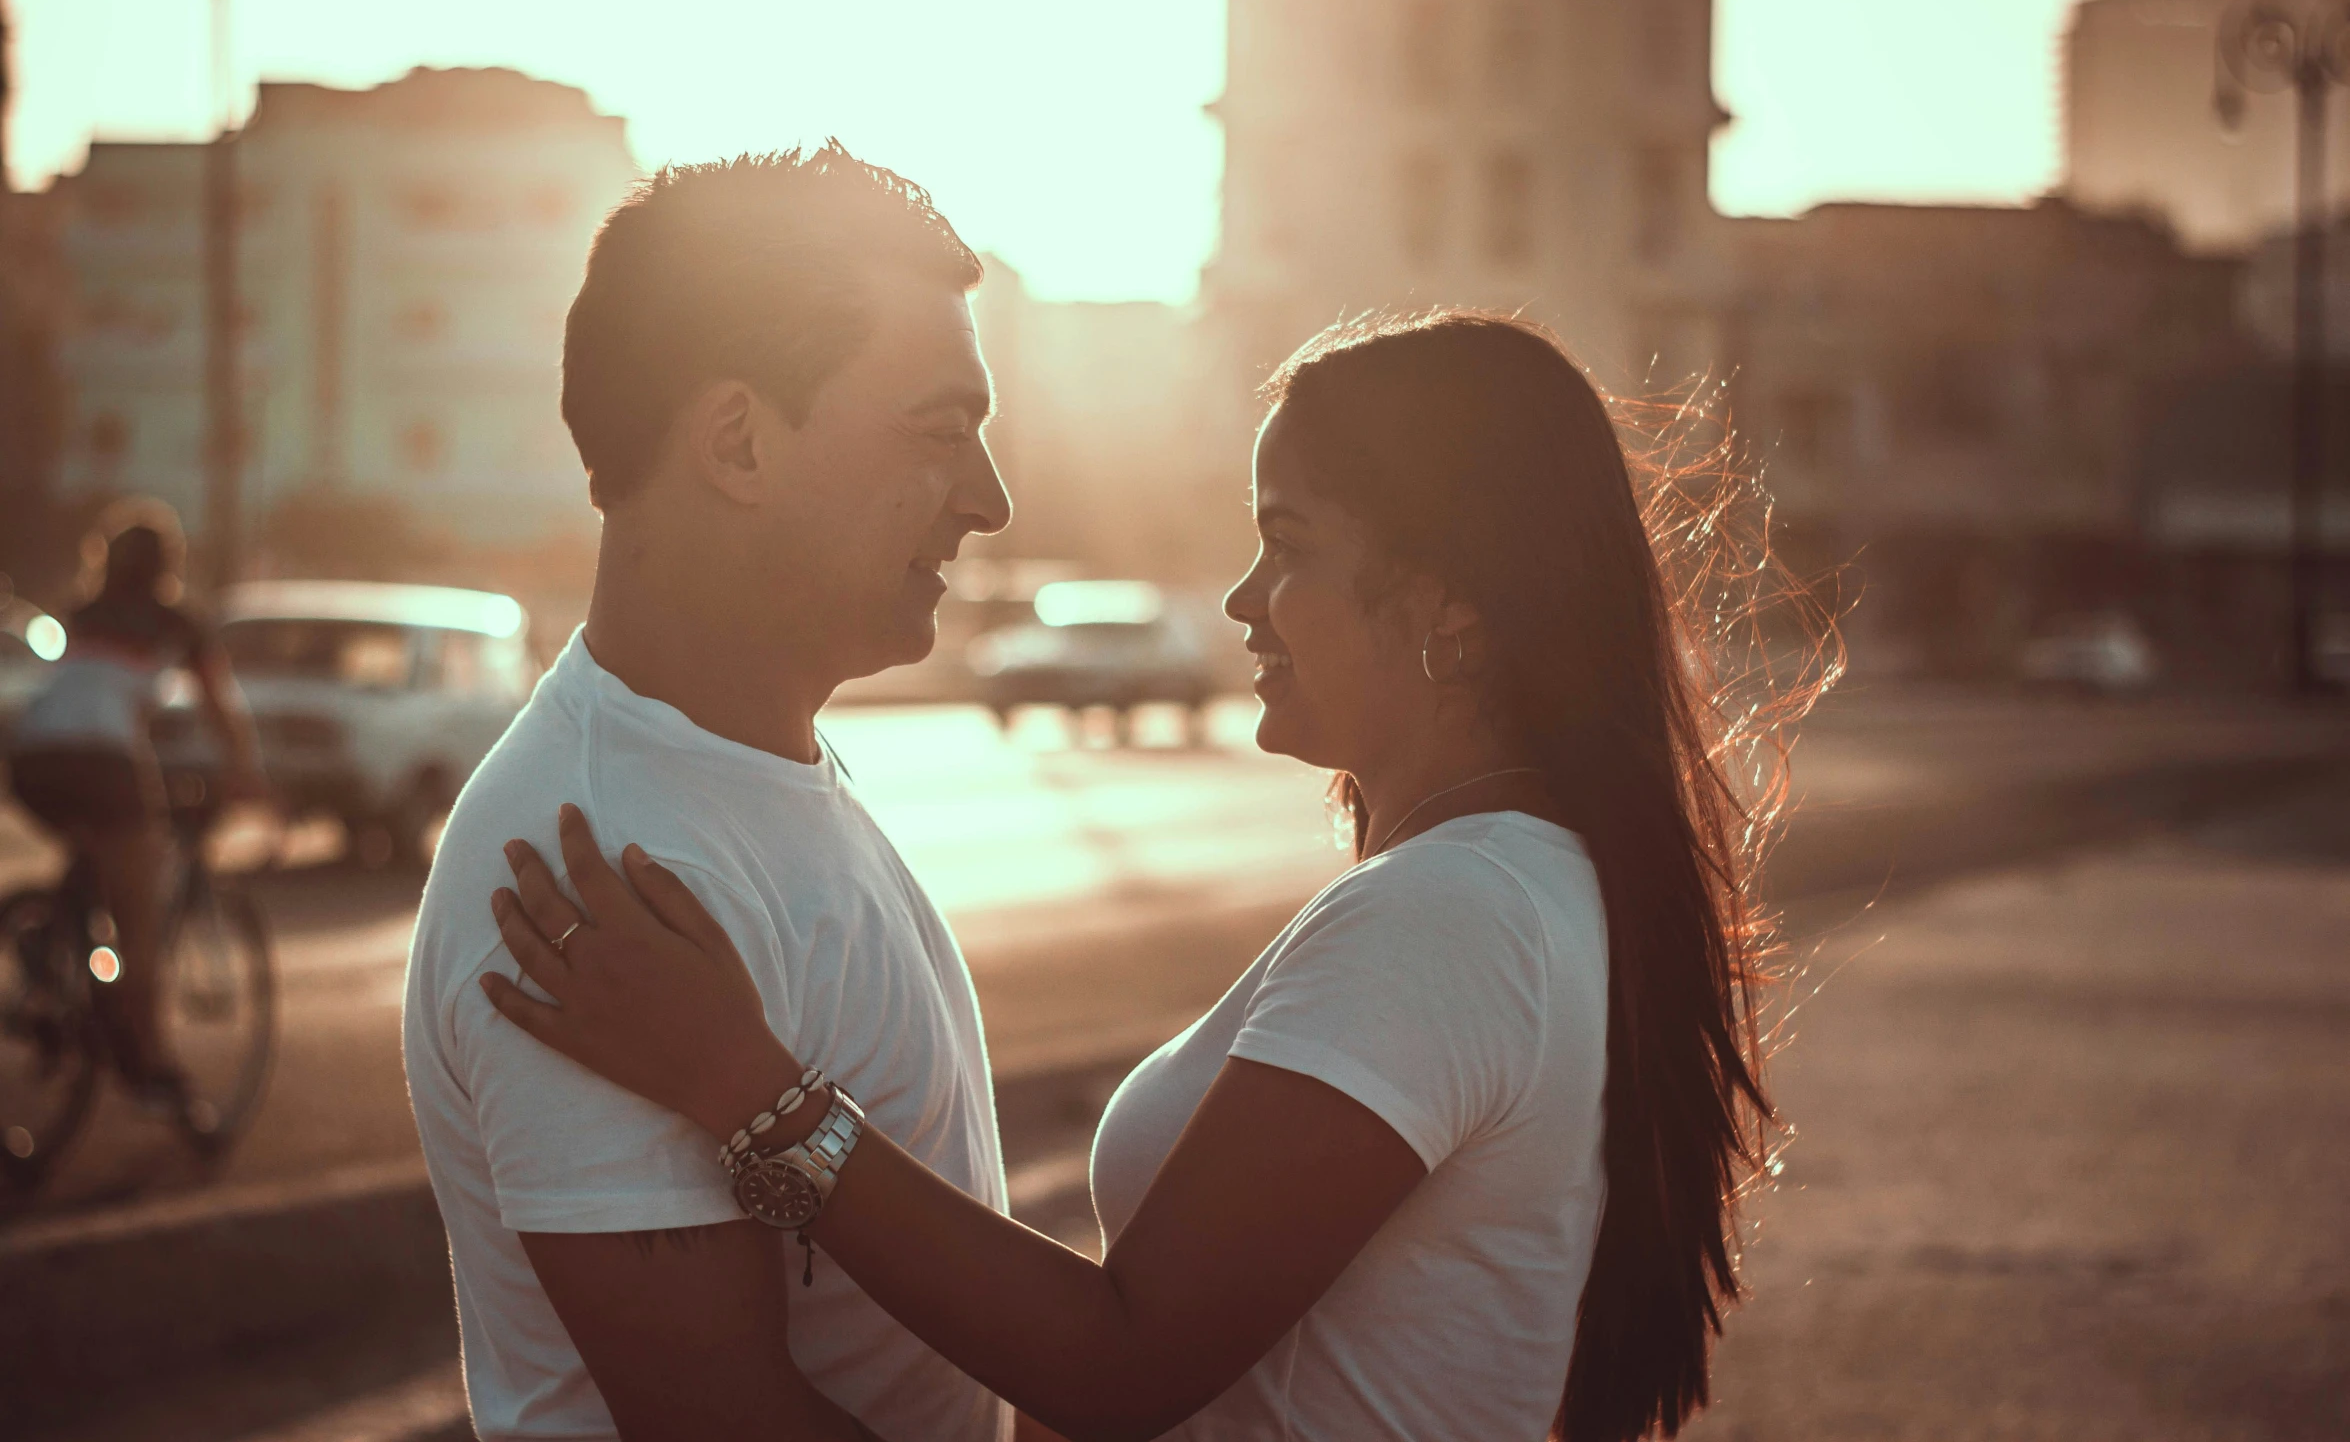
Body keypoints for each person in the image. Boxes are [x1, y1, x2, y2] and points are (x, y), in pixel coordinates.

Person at [482, 311, 1824, 1442]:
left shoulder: (1453, 912)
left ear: (1449, 609)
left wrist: (749, 1092)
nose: (1241, 598)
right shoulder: (1520, 887)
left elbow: (1119, 1362)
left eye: (1288, 543)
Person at [400, 146, 1022, 1442]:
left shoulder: (744, 766)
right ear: (738, 440)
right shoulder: (593, 857)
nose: (989, 499)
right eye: (940, 429)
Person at [5, 499, 265, 1097]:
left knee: (95, 853)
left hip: (32, 756)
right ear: (168, 565)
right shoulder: (176, 621)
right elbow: (220, 710)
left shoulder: (84, 611)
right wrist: (246, 774)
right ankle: (151, 1060)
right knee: (139, 914)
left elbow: (93, 692)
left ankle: (47, 944)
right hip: (103, 761)